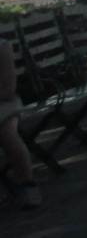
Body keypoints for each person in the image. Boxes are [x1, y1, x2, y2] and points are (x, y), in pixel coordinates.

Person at [0, 38, 42, 209]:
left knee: (7, 134)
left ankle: (28, 184)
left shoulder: (2, 46)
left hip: (5, 104)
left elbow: (8, 89)